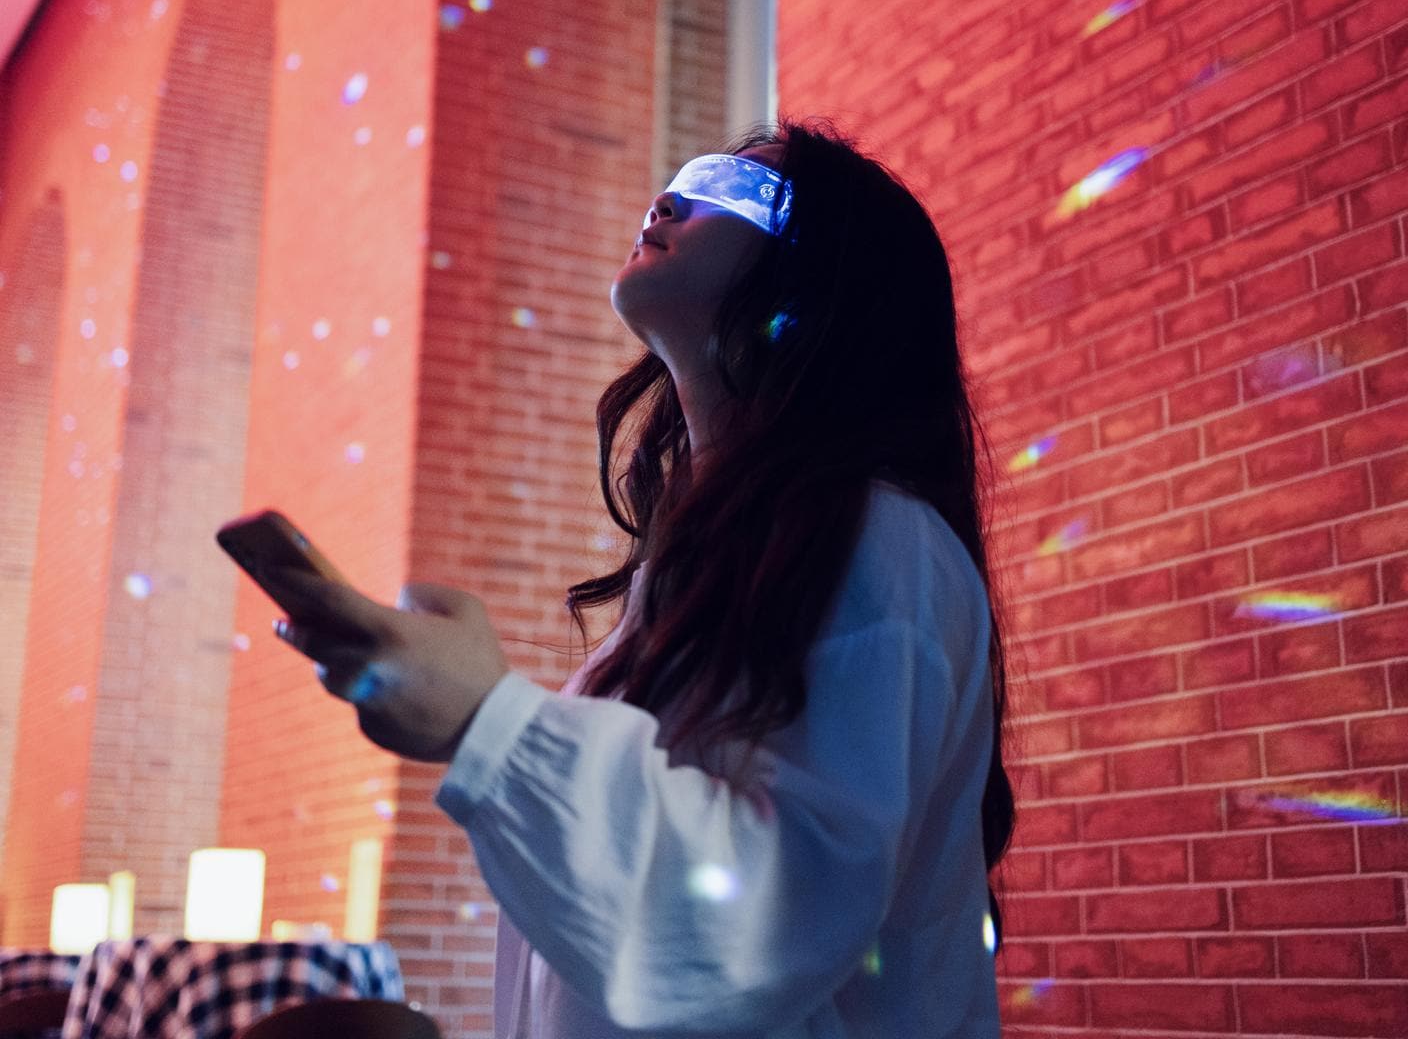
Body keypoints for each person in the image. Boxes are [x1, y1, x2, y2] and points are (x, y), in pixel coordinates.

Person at [266, 117, 1015, 1038]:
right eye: (685, 174)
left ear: (826, 287)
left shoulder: (879, 542)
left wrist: (487, 722)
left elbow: (762, 928)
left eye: (730, 190)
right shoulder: (692, 571)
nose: (670, 199)